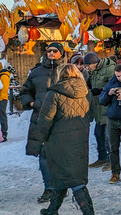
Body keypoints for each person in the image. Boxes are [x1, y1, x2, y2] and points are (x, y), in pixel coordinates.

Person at [28, 64, 94, 215]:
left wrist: (40, 139)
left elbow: (45, 120)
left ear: (60, 75)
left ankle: (89, 212)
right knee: (66, 175)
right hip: (79, 139)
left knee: (72, 179)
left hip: (58, 141)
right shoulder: (86, 92)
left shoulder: (54, 93)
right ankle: (52, 209)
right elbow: (90, 115)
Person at [21, 42, 65, 203]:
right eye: (49, 51)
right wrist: (32, 103)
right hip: (41, 118)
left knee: (61, 155)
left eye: (55, 51)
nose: (51, 53)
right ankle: (49, 188)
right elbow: (25, 91)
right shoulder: (36, 72)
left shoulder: (67, 71)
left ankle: (61, 187)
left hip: (62, 119)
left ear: (61, 53)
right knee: (44, 154)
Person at [85, 52, 116, 170]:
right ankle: (102, 157)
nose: (87, 68)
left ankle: (110, 161)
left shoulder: (109, 69)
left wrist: (102, 90)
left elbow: (115, 85)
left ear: (94, 63)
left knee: (108, 136)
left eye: (88, 65)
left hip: (108, 106)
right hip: (98, 107)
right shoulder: (93, 71)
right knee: (98, 134)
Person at [0, 62, 11, 142]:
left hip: (2, 99)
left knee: (2, 115)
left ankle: (4, 133)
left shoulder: (4, 76)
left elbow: (4, 89)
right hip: (2, 98)